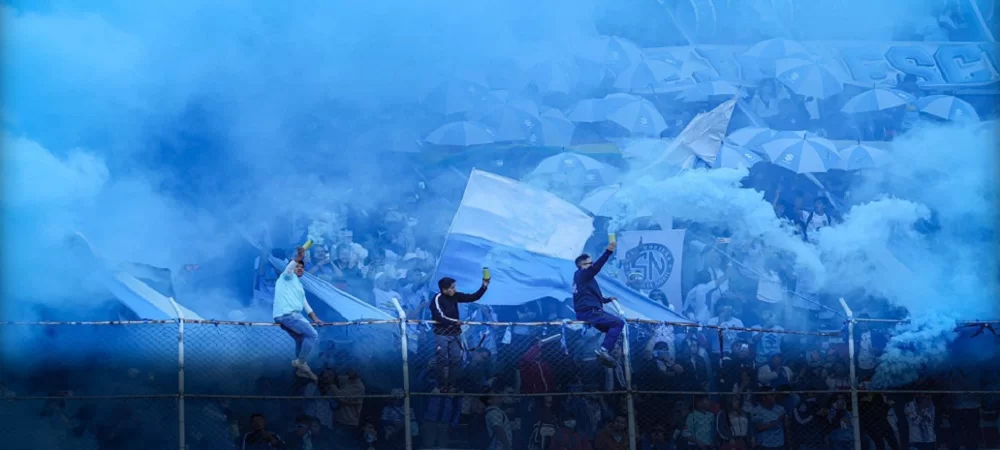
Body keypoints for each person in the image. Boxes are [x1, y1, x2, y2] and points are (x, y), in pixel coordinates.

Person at [273, 246, 325, 381]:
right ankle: (301, 362)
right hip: (288, 315)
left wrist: (315, 318)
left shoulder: (298, 285)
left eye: (302, 267)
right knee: (313, 335)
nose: (300, 268)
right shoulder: (286, 277)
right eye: (298, 266)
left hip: (292, 316)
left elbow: (305, 304)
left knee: (301, 339)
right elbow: (290, 267)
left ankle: (300, 370)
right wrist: (300, 256)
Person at [430, 275, 489, 388]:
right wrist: (454, 322)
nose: (454, 289)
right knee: (442, 360)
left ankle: (453, 385)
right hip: (442, 334)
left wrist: (484, 286)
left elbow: (473, 297)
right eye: (452, 287)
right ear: (444, 289)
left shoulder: (455, 296)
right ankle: (441, 385)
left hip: (455, 334)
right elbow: (438, 316)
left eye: (454, 287)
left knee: (456, 360)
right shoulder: (437, 298)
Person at [572, 239, 623, 367]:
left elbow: (589, 296)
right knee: (618, 323)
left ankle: (606, 353)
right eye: (590, 263)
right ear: (582, 265)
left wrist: (607, 300)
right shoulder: (582, 274)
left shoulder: (584, 279)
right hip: (591, 312)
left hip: (587, 312)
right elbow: (596, 268)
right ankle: (603, 351)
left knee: (613, 330)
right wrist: (608, 252)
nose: (593, 264)